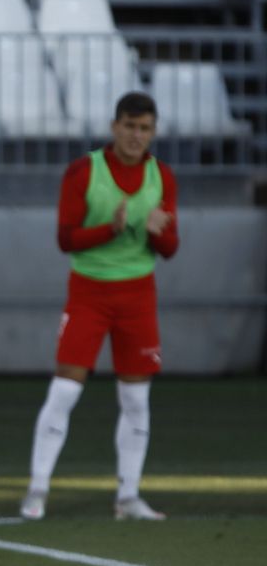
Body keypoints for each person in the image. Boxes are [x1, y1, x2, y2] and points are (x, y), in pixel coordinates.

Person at [22, 92, 178, 522]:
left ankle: (128, 496)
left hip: (138, 297)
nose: (136, 135)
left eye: (144, 128)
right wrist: (111, 229)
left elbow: (170, 246)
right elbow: (66, 238)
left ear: (153, 132)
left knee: (136, 399)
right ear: (114, 127)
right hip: (89, 293)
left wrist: (155, 233)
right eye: (129, 126)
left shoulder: (161, 176)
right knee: (66, 389)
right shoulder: (83, 171)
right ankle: (37, 489)